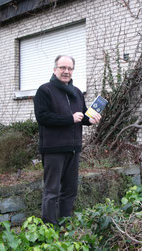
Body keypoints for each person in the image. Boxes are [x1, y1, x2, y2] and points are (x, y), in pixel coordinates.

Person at [34, 55, 101, 225]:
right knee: (52, 191)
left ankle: (64, 225)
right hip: (53, 149)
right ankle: (49, 228)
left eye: (70, 68)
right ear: (54, 69)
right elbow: (42, 117)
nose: (66, 72)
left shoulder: (77, 92)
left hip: (73, 148)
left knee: (70, 190)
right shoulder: (44, 90)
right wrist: (69, 119)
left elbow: (82, 115)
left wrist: (90, 120)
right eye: (63, 68)